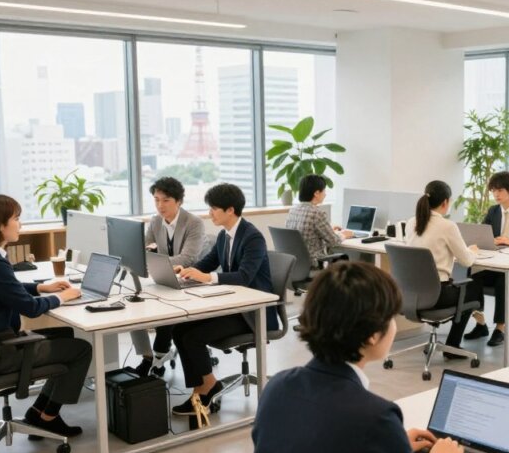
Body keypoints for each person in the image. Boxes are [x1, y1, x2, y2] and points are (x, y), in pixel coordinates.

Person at [247, 262, 463, 453]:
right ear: (373, 335)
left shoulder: (277, 387)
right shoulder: (374, 418)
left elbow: (316, 452)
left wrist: (393, 447)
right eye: (392, 317)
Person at [0, 194, 92, 438]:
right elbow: (29, 308)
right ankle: (49, 417)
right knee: (81, 349)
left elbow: (6, 288)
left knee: (64, 333)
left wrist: (42, 287)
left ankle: (38, 412)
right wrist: (65, 296)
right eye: (16, 219)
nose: (21, 224)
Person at [171, 183, 279, 415]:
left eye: (214, 209)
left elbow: (244, 276)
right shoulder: (223, 236)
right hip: (233, 306)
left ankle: (208, 387)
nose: (209, 214)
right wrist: (186, 271)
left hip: (252, 314)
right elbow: (207, 263)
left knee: (194, 337)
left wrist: (206, 277)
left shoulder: (253, 238)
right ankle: (201, 387)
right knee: (179, 328)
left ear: (230, 210)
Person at [130, 176, 206, 377]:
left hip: (189, 281)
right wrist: (145, 256)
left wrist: (155, 262)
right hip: (164, 278)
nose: (160, 205)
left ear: (178, 201)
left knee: (163, 310)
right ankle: (150, 356)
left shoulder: (193, 223)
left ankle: (156, 358)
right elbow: (143, 249)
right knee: (134, 305)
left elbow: (188, 258)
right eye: (156, 200)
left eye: (166, 200)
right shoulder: (155, 222)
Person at [405, 180, 486, 357]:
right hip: (437, 296)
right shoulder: (447, 226)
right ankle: (454, 345)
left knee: (465, 289)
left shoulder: (411, 222)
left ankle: (481, 326)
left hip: (409, 294)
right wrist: (472, 251)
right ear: (445, 202)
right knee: (473, 288)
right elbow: (466, 261)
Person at [465, 171, 509, 347]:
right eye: (493, 191)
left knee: (502, 281)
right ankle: (481, 323)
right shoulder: (493, 211)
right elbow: (482, 233)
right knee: (472, 278)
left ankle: (500, 328)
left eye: (499, 190)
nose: (495, 194)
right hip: (496, 263)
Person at [285, 174, 352, 268]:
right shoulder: (317, 213)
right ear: (316, 193)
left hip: (294, 263)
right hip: (314, 263)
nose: (325, 194)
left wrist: (329, 229)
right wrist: (344, 234)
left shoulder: (293, 211)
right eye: (324, 190)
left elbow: (306, 233)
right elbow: (334, 241)